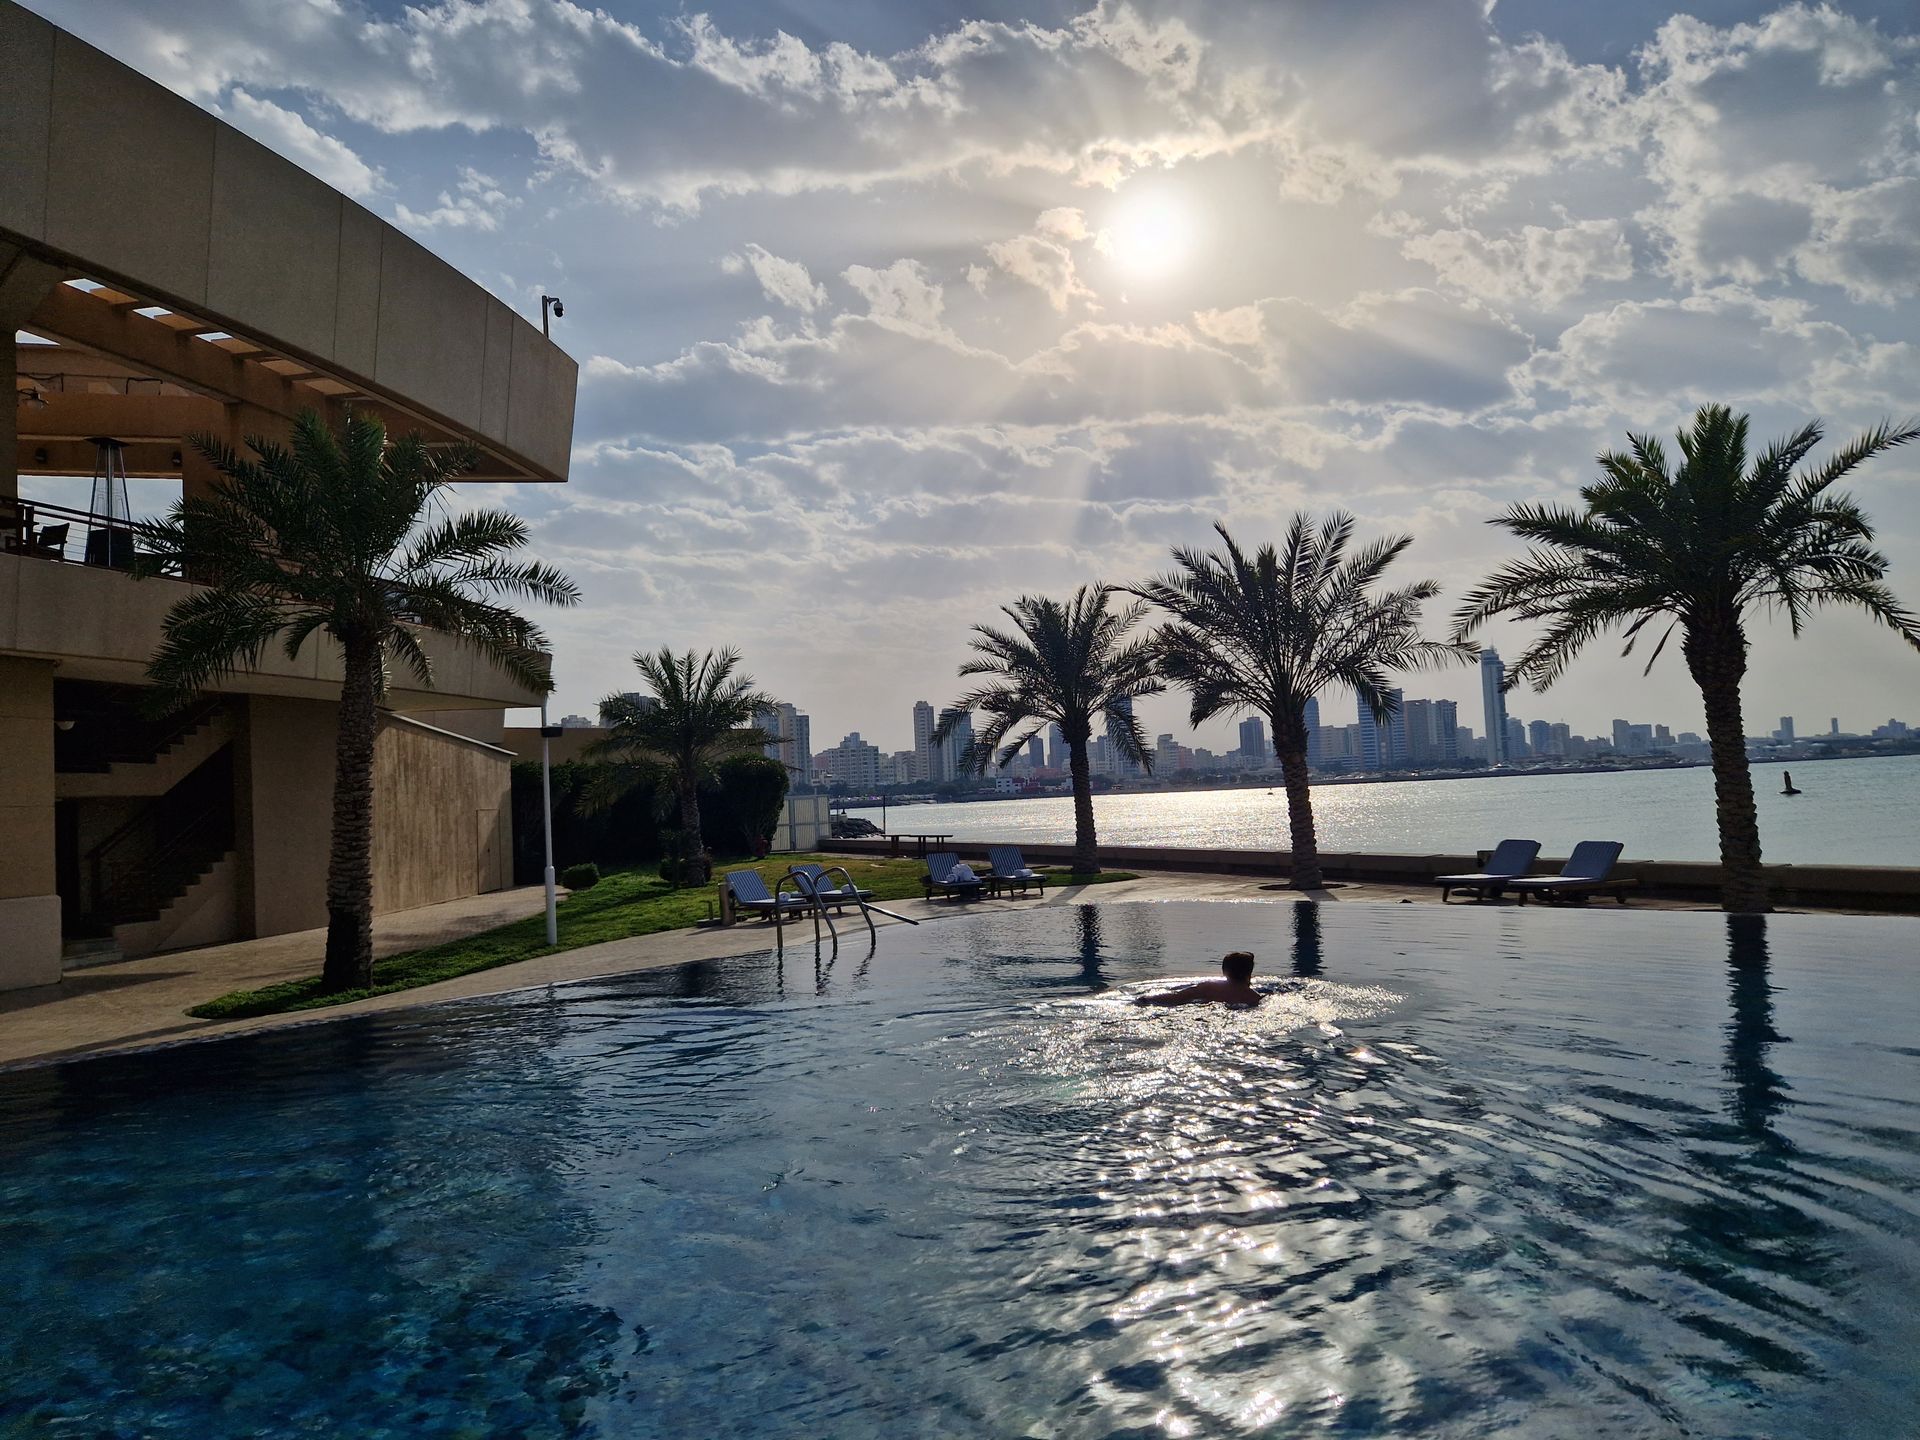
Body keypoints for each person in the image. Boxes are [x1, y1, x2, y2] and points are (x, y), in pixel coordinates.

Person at [1135, 951, 1263, 1008]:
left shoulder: (1208, 987)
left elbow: (1175, 998)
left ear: (1224, 972)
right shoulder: (1254, 997)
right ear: (1249, 973)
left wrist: (1147, 999)